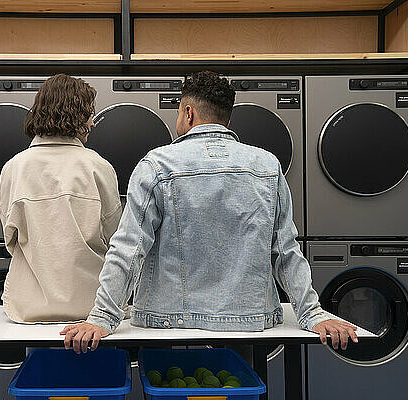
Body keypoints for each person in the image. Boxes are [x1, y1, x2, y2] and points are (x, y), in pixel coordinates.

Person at [61, 71, 358, 353]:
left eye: (178, 111)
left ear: (188, 113)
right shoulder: (267, 165)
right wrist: (313, 314)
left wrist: (101, 318)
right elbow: (286, 250)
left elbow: (129, 248)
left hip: (169, 324)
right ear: (226, 118)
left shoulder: (157, 165)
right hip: (248, 323)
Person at [0, 74, 122, 323]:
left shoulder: (14, 167)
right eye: (89, 114)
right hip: (90, 309)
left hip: (27, 309)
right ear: (75, 115)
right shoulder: (98, 167)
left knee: (39, 362)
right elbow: (116, 238)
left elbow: (10, 239)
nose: (93, 123)